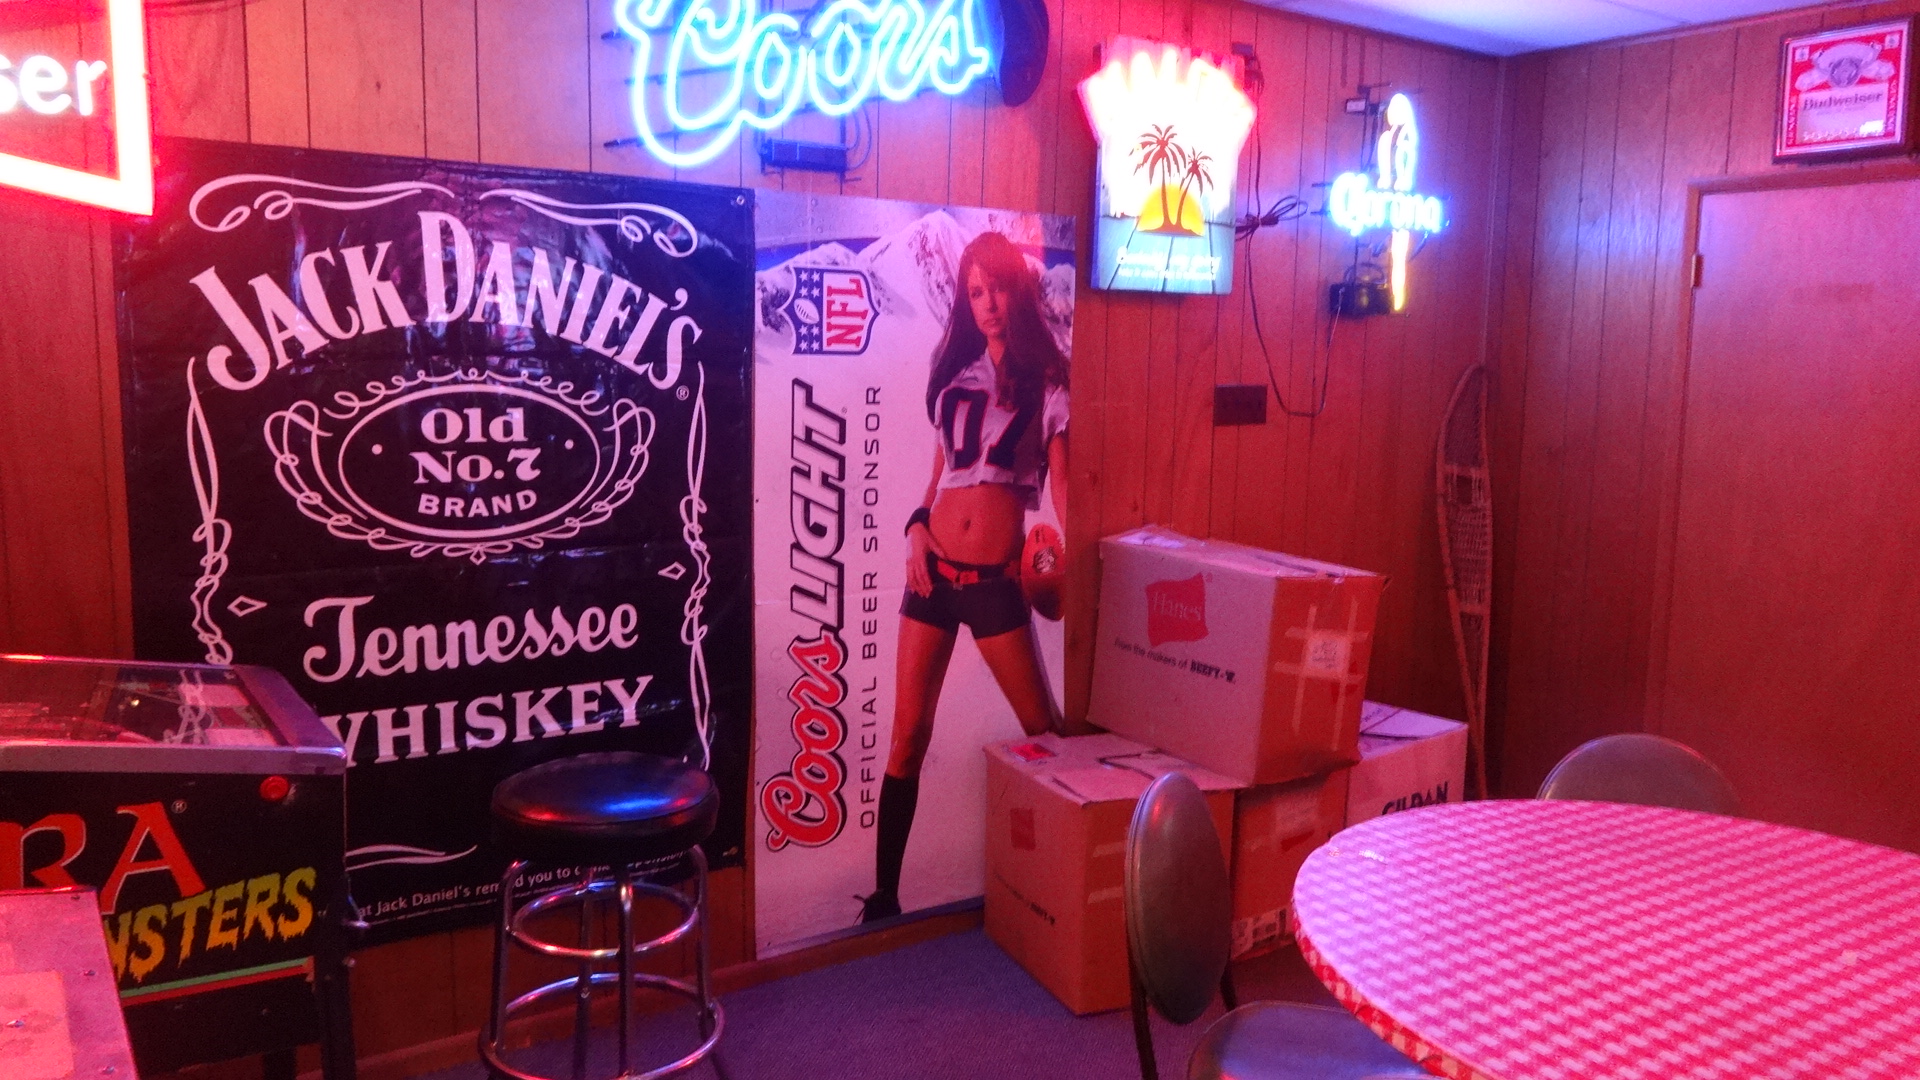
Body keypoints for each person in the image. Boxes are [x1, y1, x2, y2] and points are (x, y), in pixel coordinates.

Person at [862, 231, 1069, 922]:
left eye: (998, 287)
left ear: (1018, 291)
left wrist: (1068, 556)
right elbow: (940, 475)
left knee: (1046, 733)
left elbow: (1062, 486)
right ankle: (883, 900)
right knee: (906, 737)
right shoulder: (955, 371)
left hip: (993, 581)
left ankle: (1071, 889)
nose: (987, 303)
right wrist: (915, 526)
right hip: (932, 574)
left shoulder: (1050, 379)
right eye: (975, 292)